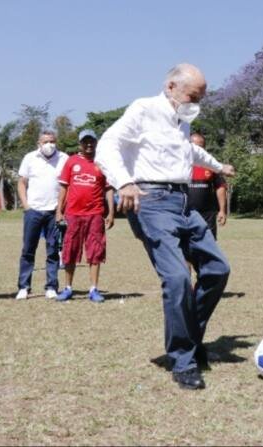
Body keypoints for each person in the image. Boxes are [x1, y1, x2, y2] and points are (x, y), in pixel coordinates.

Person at [95, 63, 236, 391]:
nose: (196, 102)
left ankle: (189, 337)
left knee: (217, 269)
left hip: (183, 202)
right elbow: (107, 146)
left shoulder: (181, 122)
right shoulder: (144, 109)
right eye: (192, 95)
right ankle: (183, 359)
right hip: (151, 201)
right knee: (176, 278)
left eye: (200, 97)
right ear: (171, 86)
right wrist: (124, 182)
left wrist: (218, 166)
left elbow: (189, 151)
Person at [55, 129, 115, 303]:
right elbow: (64, 188)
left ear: (96, 142)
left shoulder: (102, 163)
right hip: (73, 214)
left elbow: (109, 189)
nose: (89, 144)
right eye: (85, 141)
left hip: (95, 214)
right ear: (80, 143)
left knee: (95, 251)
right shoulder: (71, 161)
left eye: (91, 141)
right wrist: (59, 210)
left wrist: (111, 212)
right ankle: (67, 288)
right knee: (70, 250)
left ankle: (94, 289)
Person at [15, 130, 69, 300]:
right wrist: (26, 206)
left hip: (54, 211)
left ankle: (51, 286)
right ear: (39, 143)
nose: (49, 145)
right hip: (34, 211)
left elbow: (67, 186)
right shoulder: (30, 158)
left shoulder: (64, 158)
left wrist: (62, 210)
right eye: (45, 141)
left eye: (52, 141)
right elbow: (22, 183)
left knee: (53, 250)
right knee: (28, 250)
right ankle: (24, 287)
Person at [187, 133, 227, 240]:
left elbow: (221, 187)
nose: (198, 149)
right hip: (185, 214)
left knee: (209, 246)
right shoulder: (180, 164)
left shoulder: (211, 165)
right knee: (185, 248)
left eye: (201, 146)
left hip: (207, 215)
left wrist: (222, 210)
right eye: (195, 146)